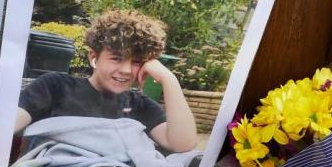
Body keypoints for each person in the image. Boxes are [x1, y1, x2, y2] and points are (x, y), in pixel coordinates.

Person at [14, 10, 198, 153]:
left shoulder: (139, 105)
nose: (126, 70)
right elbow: (8, 124)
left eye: (136, 61)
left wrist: (169, 79)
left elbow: (182, 145)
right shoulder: (55, 87)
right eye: (116, 58)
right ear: (94, 58)